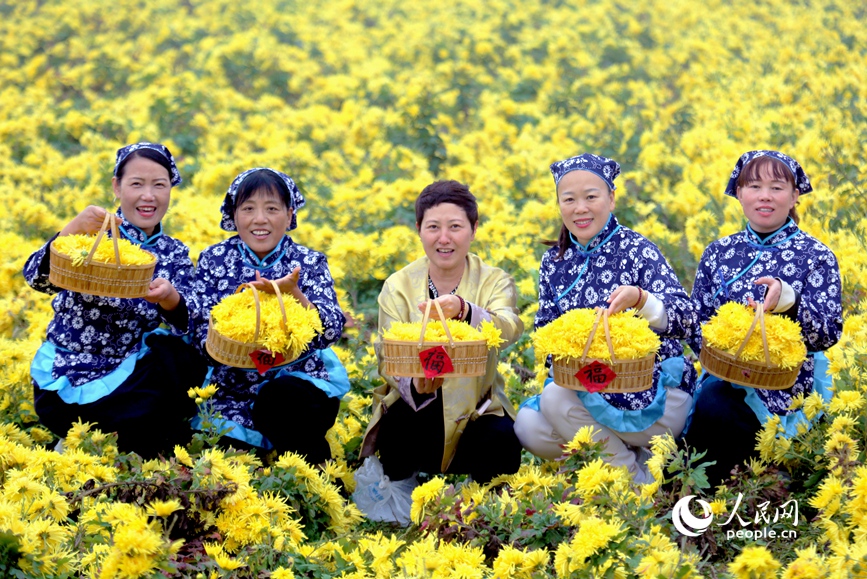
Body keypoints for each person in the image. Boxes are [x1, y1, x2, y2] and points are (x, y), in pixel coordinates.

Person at [513, 153, 697, 483]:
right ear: (559, 205)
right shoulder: (553, 262)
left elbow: (686, 319)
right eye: (569, 199)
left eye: (591, 197)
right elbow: (545, 332)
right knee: (529, 428)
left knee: (556, 398)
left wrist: (642, 301)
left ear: (611, 199)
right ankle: (632, 456)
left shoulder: (637, 249)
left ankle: (631, 484)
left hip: (651, 394)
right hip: (588, 391)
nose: (580, 208)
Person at [24, 142, 205, 458]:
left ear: (170, 192)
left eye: (159, 185)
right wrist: (71, 228)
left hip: (129, 379)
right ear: (117, 187)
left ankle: (120, 442)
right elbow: (35, 278)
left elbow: (191, 321)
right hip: (68, 379)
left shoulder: (173, 253)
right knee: (153, 408)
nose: (148, 196)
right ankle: (101, 438)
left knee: (183, 355)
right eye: (136, 184)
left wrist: (170, 299)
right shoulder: (91, 234)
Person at [686, 150, 843, 485]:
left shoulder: (817, 256)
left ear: (795, 195)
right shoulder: (718, 253)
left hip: (789, 385)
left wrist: (789, 301)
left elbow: (828, 333)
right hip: (726, 375)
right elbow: (696, 324)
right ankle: (727, 493)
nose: (765, 196)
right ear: (739, 193)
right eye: (754, 186)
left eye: (776, 187)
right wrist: (732, 341)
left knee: (715, 408)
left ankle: (757, 483)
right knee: (708, 403)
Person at [359, 180, 523, 496]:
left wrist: (465, 310)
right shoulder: (398, 286)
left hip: (476, 409)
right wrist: (416, 385)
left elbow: (509, 327)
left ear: (474, 229)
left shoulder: (495, 280)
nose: (444, 238)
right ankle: (408, 494)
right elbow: (387, 357)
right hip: (417, 407)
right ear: (419, 229)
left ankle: (485, 501)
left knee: (502, 441)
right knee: (397, 433)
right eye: (433, 227)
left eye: (456, 227)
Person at [189, 167, 348, 464]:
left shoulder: (308, 262)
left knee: (282, 401)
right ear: (233, 215)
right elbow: (199, 328)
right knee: (229, 464)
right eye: (248, 208)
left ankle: (316, 486)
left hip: (298, 382)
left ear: (289, 215)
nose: (259, 219)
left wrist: (294, 294)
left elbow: (332, 330)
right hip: (231, 387)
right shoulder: (214, 259)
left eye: (272, 209)